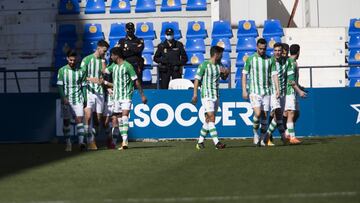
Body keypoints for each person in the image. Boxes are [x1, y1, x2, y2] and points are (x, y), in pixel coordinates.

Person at [103, 47, 147, 150]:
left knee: (124, 117)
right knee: (118, 119)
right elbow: (104, 71)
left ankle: (124, 141)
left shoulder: (128, 66)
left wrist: (142, 95)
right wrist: (101, 60)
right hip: (116, 97)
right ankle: (118, 141)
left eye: (112, 55)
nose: (111, 57)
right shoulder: (113, 66)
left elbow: (136, 81)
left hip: (126, 96)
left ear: (116, 55)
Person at [191, 46, 228, 150]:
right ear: (216, 54)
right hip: (206, 95)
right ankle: (217, 143)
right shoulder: (204, 65)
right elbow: (197, 80)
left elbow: (223, 78)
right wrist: (195, 94)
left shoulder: (219, 65)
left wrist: (226, 74)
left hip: (216, 94)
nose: (222, 56)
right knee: (212, 117)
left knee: (208, 119)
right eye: (221, 54)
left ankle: (200, 142)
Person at [242, 38, 272, 146]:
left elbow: (273, 75)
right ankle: (255, 133)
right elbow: (244, 74)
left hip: (267, 91)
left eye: (264, 49)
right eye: (260, 48)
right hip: (254, 91)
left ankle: (263, 137)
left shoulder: (269, 59)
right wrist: (244, 89)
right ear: (256, 47)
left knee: (264, 115)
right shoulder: (250, 59)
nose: (262, 51)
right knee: (258, 113)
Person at [81, 39, 110, 150]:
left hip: (100, 93)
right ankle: (90, 141)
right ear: (98, 48)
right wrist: (90, 79)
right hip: (89, 92)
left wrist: (106, 86)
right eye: (104, 51)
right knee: (87, 117)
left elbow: (104, 74)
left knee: (97, 121)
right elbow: (81, 75)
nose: (105, 53)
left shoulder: (103, 61)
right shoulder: (87, 59)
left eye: (106, 51)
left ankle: (90, 137)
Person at [57, 50, 87, 151]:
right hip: (67, 100)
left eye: (74, 60)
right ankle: (68, 143)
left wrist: (85, 98)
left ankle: (81, 142)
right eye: (70, 60)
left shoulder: (81, 71)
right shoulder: (62, 70)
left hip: (78, 99)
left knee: (79, 119)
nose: (72, 62)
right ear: (67, 59)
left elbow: (83, 86)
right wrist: (63, 97)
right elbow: (60, 86)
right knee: (66, 122)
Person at [265, 43, 290, 146]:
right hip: (273, 92)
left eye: (279, 50)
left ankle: (281, 137)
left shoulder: (285, 61)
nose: (277, 52)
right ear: (273, 51)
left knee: (276, 115)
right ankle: (268, 136)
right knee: (278, 114)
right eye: (276, 50)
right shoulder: (270, 61)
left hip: (283, 92)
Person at [284, 44, 307, 144]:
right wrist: (299, 91)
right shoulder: (291, 63)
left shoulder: (293, 62)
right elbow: (290, 81)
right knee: (290, 113)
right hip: (289, 92)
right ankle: (292, 137)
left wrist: (300, 87)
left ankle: (286, 132)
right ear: (298, 52)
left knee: (296, 114)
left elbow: (294, 80)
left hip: (294, 91)